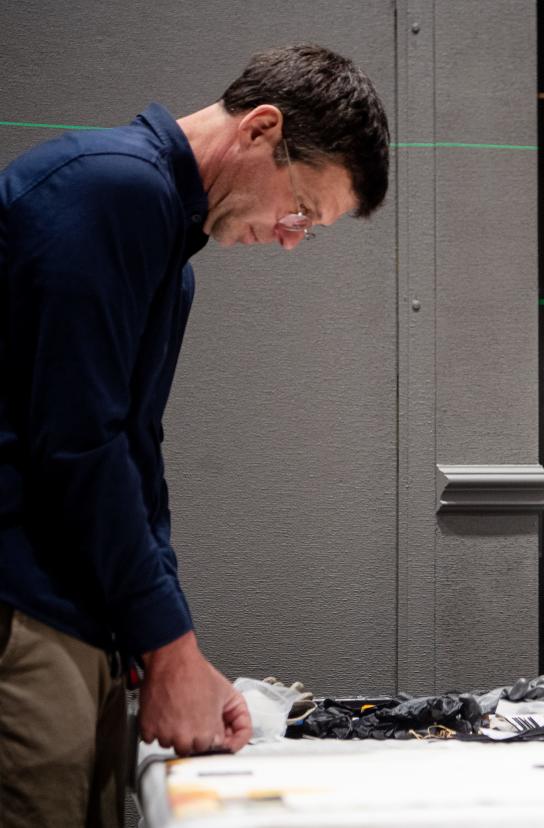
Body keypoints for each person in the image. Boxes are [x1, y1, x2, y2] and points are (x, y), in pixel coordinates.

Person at [0, 43, 390, 827]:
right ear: (261, 127)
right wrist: (170, 648)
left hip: (70, 609)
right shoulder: (113, 191)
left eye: (307, 229)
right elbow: (82, 446)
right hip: (24, 603)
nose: (288, 239)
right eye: (302, 210)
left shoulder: (166, 248)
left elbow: (136, 458)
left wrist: (169, 643)